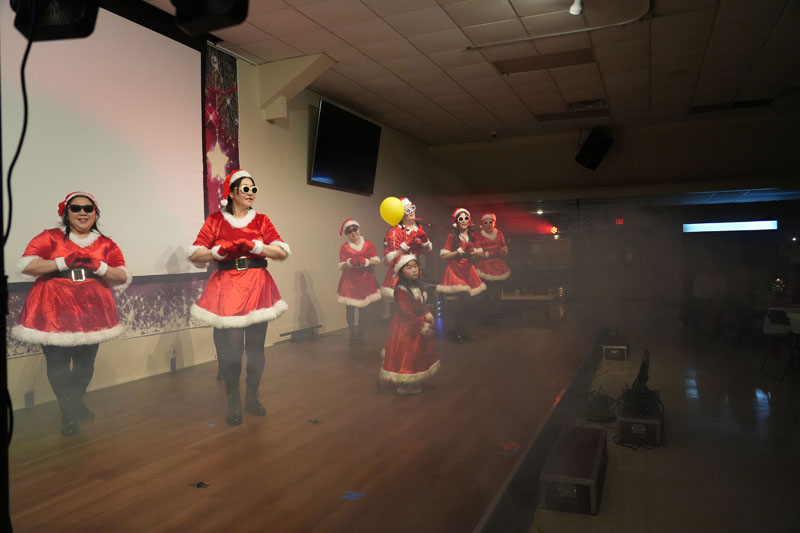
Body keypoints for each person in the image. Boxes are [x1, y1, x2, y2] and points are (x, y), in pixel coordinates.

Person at [11, 191, 132, 436]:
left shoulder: (106, 244)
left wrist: (100, 266)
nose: (82, 213)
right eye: (76, 208)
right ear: (66, 213)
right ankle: (67, 411)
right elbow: (27, 265)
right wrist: (62, 262)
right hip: (52, 310)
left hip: (92, 312)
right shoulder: (50, 237)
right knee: (58, 365)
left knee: (85, 365)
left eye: (88, 208)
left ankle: (75, 401)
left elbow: (121, 276)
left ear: (95, 213)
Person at [188, 169, 290, 426]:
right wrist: (218, 252)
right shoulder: (215, 220)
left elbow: (281, 252)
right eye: (246, 189)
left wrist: (257, 246)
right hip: (227, 287)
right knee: (232, 349)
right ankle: (233, 397)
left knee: (255, 347)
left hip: (257, 287)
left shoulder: (262, 220)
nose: (251, 193)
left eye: (254, 189)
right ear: (232, 193)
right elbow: (196, 254)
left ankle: (252, 396)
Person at [379, 255, 440, 395]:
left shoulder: (416, 285)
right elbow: (407, 312)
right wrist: (422, 327)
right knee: (407, 353)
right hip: (405, 327)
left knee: (417, 352)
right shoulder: (401, 289)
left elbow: (419, 305)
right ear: (401, 270)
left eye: (415, 266)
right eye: (409, 267)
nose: (414, 270)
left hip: (415, 322)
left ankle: (413, 379)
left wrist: (426, 314)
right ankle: (405, 384)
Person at [436, 207, 487, 342]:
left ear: (469, 220)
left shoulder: (472, 236)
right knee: (465, 299)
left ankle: (462, 331)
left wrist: (473, 252)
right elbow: (444, 255)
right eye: (461, 218)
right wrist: (458, 251)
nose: (464, 221)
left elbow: (481, 253)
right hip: (455, 270)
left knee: (469, 303)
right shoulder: (452, 236)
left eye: (466, 218)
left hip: (468, 270)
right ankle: (458, 331)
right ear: (456, 222)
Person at [337, 218, 381, 345]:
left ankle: (361, 335)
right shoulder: (345, 247)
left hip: (365, 280)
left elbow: (376, 260)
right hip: (349, 282)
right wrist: (349, 262)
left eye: (354, 229)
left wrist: (365, 261)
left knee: (364, 310)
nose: (353, 233)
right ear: (346, 234)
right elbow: (342, 266)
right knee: (350, 310)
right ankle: (352, 336)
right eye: (349, 231)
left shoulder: (368, 244)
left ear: (359, 229)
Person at [381, 197, 432, 302]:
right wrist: (407, 242)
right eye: (407, 210)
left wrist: (425, 241)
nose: (411, 212)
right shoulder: (395, 231)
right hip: (400, 274)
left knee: (418, 303)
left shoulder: (419, 227)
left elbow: (426, 252)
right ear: (401, 214)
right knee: (402, 304)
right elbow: (392, 258)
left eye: (412, 208)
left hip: (415, 272)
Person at [474, 212, 510, 320]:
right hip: (485, 267)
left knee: (498, 293)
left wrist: (503, 251)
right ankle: (486, 317)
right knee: (488, 294)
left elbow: (503, 247)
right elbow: (478, 252)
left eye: (491, 222)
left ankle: (495, 317)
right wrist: (492, 253)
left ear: (494, 223)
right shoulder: (479, 236)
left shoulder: (499, 234)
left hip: (498, 267)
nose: (488, 224)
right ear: (482, 224)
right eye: (486, 222)